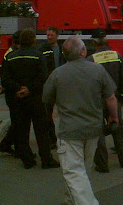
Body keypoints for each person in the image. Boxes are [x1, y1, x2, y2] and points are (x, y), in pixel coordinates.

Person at [43, 36, 118, 205]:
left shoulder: (57, 73)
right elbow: (111, 98)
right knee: (83, 170)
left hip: (69, 131)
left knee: (74, 172)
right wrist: (114, 117)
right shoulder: (98, 70)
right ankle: (70, 200)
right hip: (93, 129)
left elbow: (46, 98)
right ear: (83, 51)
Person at [1, 28, 59, 170]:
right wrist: (29, 89)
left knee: (22, 130)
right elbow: (43, 77)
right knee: (41, 130)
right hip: (36, 99)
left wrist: (19, 88)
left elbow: (5, 80)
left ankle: (27, 160)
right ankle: (46, 159)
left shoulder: (10, 57)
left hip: (18, 99)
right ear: (33, 40)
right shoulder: (39, 56)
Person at [87, 29, 123, 171]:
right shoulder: (117, 55)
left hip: (97, 101)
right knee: (118, 128)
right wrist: (122, 97)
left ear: (94, 43)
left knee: (98, 131)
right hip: (114, 99)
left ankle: (102, 164)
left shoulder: (91, 60)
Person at [39, 26, 66, 149]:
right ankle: (51, 139)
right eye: (48, 35)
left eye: (51, 35)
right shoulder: (42, 49)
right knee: (47, 113)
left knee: (64, 112)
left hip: (61, 85)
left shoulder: (63, 49)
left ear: (57, 36)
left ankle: (65, 137)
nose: (49, 37)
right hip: (49, 85)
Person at [0, 30, 21, 155]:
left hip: (10, 91)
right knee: (17, 121)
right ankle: (8, 145)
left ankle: (9, 145)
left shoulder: (10, 52)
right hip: (12, 92)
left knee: (17, 121)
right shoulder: (13, 53)